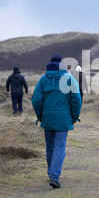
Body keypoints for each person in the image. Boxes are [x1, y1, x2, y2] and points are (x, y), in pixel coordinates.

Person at [31, 55, 82, 188]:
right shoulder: (69, 79)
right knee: (60, 146)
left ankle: (51, 173)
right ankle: (54, 176)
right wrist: (74, 117)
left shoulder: (43, 79)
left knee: (50, 146)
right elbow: (76, 99)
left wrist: (40, 116)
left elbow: (36, 100)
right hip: (63, 119)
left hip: (47, 118)